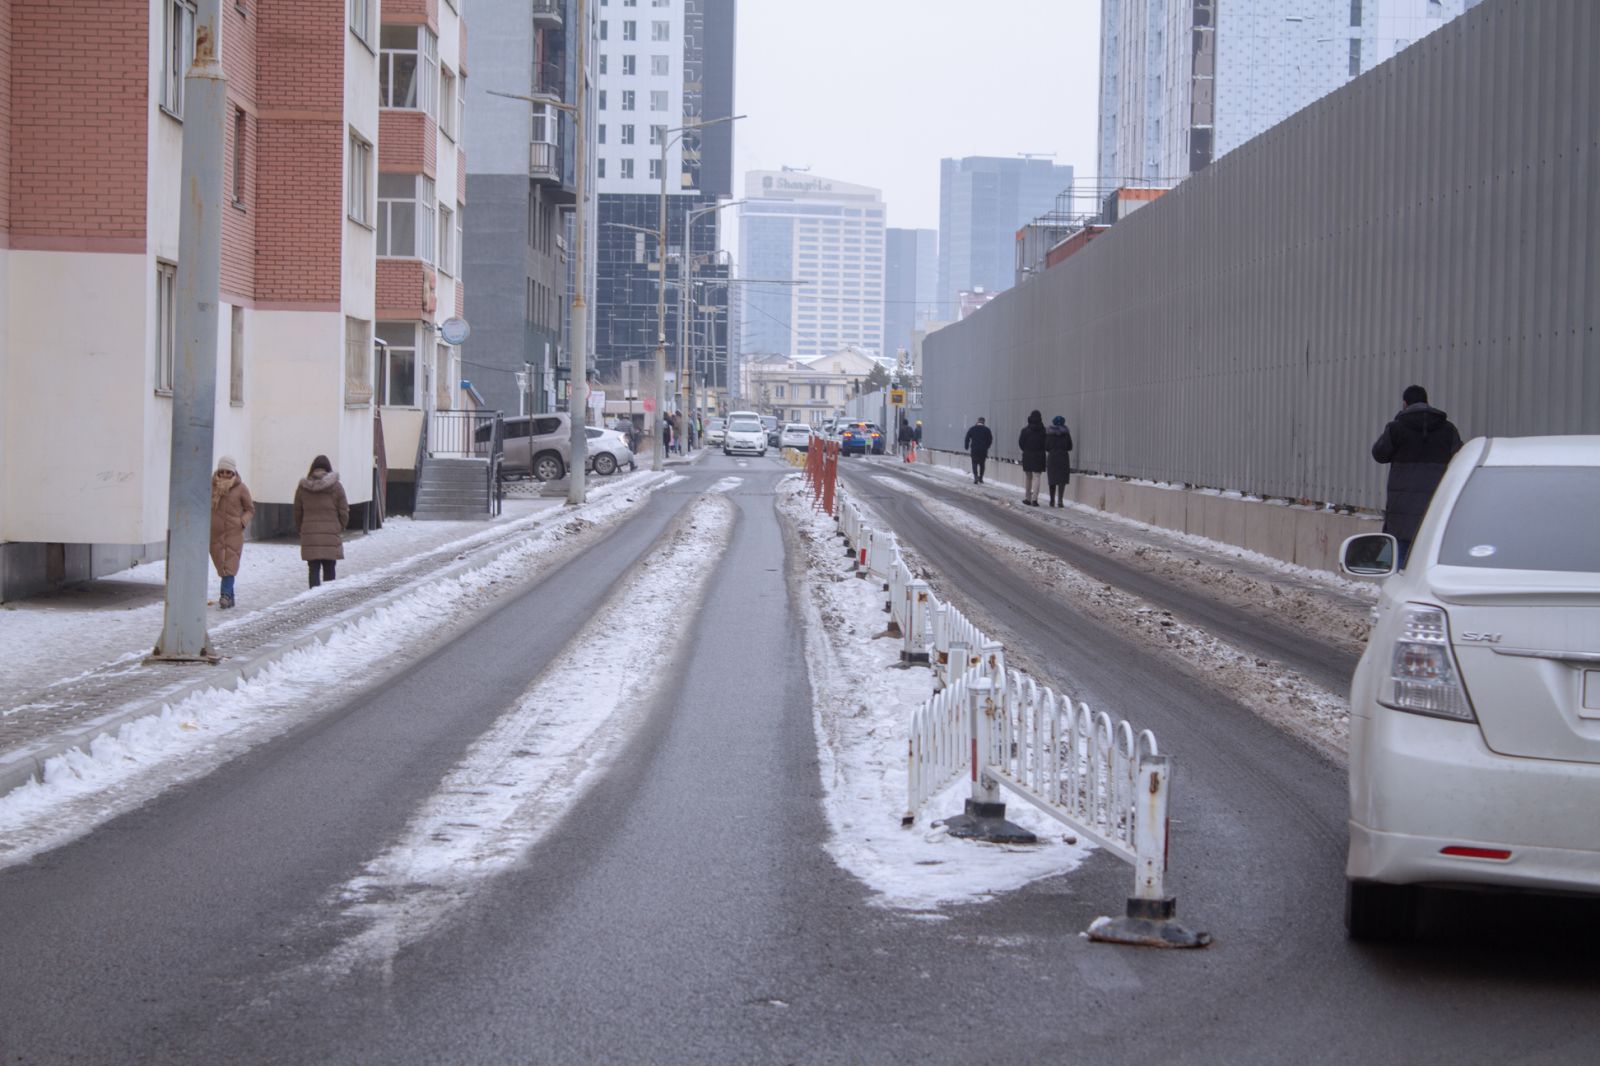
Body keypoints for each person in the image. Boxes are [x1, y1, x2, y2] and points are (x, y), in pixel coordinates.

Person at [1372, 384, 1463, 567]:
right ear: (1427, 401)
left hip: (1401, 509)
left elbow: (1379, 454)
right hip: (1435, 504)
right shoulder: (1447, 429)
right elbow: (1460, 457)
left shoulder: (1396, 428)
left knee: (1401, 558)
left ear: (1405, 404)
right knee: (1430, 556)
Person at [294, 454, 350, 589]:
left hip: (310, 536)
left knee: (313, 570)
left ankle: (313, 599)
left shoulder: (303, 488)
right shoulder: (336, 487)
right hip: (330, 536)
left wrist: (301, 529)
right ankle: (327, 600)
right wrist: (339, 527)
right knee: (329, 569)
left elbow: (297, 512)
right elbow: (344, 511)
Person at [208, 455, 253, 609]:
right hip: (215, 534)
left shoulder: (241, 488)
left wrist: (242, 522)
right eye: (222, 472)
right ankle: (230, 598)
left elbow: (249, 509)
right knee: (222, 566)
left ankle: (225, 596)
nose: (225, 475)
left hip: (234, 533)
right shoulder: (211, 487)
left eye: (228, 472)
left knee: (230, 566)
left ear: (233, 472)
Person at [1018, 410, 1048, 506]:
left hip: (1028, 455)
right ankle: (1035, 499)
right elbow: (1046, 444)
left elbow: (1021, 443)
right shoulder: (1044, 431)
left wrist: (1026, 450)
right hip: (1039, 456)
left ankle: (1027, 498)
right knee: (1037, 477)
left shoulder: (1025, 430)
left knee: (1028, 477)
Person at [1044, 415, 1074, 508]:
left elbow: (1046, 446)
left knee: (1052, 479)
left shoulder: (1049, 434)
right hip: (1063, 457)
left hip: (1052, 457)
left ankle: (1052, 500)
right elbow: (1070, 446)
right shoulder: (1066, 433)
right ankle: (1060, 500)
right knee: (1062, 479)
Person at [963, 417, 993, 484]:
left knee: (974, 463)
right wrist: (987, 447)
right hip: (983, 450)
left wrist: (966, 446)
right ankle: (981, 478)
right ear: (983, 422)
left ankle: (975, 477)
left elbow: (967, 438)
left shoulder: (972, 429)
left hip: (974, 449)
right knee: (982, 464)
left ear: (977, 421)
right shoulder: (987, 430)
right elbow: (990, 440)